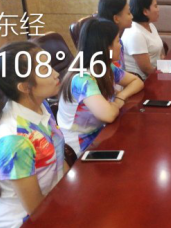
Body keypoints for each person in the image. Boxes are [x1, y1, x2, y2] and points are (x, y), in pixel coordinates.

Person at [0, 42, 66, 228]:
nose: (56, 74)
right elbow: (35, 209)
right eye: (45, 70)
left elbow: (58, 159)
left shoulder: (39, 106)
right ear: (24, 87)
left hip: (54, 202)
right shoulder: (14, 140)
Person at [58, 19, 144, 157]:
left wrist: (120, 98)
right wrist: (115, 103)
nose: (120, 45)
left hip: (100, 132)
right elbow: (108, 115)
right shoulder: (83, 79)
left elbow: (137, 81)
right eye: (117, 41)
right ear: (106, 47)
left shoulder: (105, 67)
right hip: (80, 146)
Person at [123, 0, 165, 80]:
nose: (158, 9)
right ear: (145, 11)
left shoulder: (150, 25)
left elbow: (160, 52)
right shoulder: (135, 33)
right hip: (142, 80)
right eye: (155, 6)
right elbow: (146, 69)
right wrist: (164, 77)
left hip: (156, 72)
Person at [97, 0, 133, 69]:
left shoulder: (118, 41)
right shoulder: (107, 46)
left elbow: (121, 72)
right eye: (128, 13)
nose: (132, 17)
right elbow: (116, 73)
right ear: (116, 19)